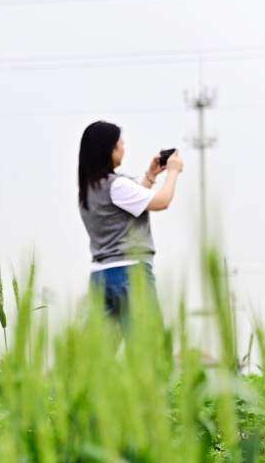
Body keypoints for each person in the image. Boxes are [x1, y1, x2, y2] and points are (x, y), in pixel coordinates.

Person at [77, 120, 184, 326]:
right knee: (147, 344)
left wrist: (151, 176)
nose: (124, 147)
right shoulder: (116, 185)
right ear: (109, 149)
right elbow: (162, 201)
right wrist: (173, 171)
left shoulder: (88, 190)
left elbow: (128, 207)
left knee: (100, 347)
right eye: (121, 143)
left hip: (100, 276)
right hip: (130, 274)